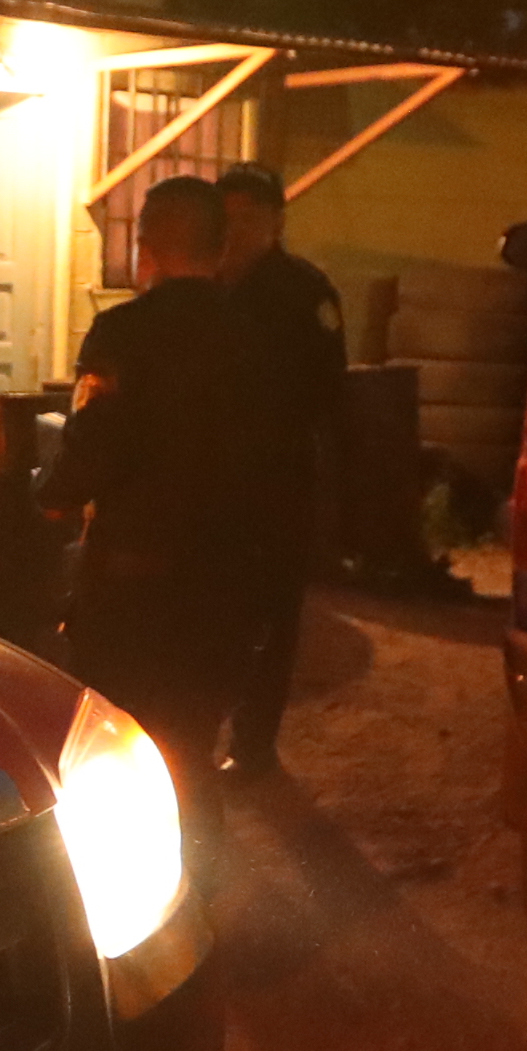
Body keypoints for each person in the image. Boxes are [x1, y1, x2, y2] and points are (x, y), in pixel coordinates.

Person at [39, 174, 257, 842]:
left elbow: (96, 439)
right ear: (220, 249)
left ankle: (135, 891)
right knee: (191, 738)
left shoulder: (123, 334)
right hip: (227, 576)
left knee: (118, 736)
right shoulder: (257, 338)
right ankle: (204, 878)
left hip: (133, 579)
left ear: (149, 246)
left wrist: (53, 498)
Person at [214, 159, 347, 778]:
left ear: (276, 222)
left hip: (274, 477)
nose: (238, 230)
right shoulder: (203, 288)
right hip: (206, 476)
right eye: (228, 218)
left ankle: (254, 744)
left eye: (251, 217)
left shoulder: (303, 292)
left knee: (269, 615)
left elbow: (323, 389)